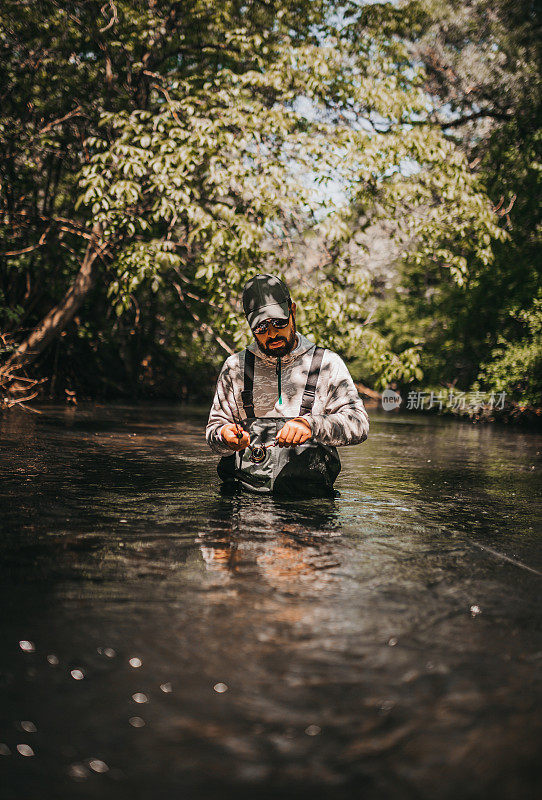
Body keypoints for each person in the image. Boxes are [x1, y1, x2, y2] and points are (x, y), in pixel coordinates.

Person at [205, 274, 369, 495]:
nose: (272, 334)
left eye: (278, 323)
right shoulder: (235, 368)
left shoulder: (328, 364)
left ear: (292, 311)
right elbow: (213, 430)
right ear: (249, 324)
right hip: (243, 502)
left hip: (310, 507)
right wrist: (224, 435)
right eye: (261, 328)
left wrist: (311, 425)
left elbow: (359, 425)